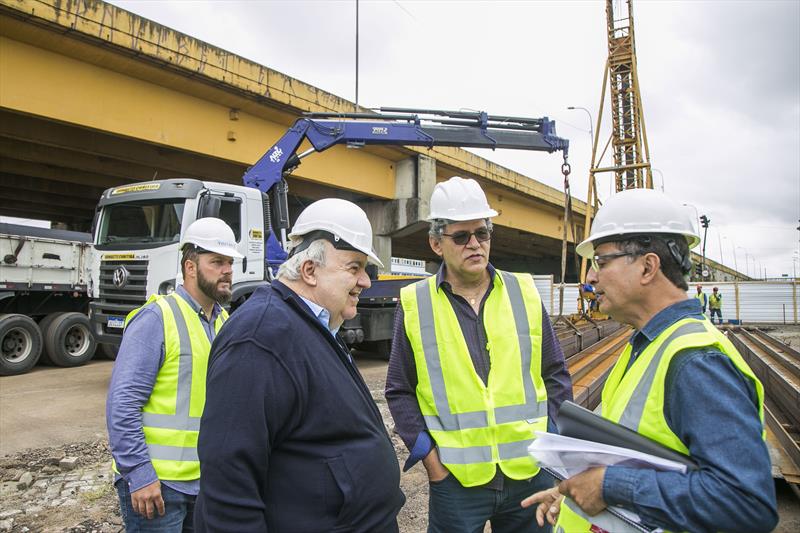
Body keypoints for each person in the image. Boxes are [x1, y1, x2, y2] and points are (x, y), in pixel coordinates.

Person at [522, 188, 778, 532]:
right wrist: (575, 490)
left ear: (647, 266)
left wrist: (609, 486)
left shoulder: (696, 362)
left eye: (601, 261)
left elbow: (745, 503)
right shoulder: (646, 344)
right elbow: (636, 456)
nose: (591, 278)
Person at [194, 198, 405, 532]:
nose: (366, 281)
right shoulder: (260, 337)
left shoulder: (312, 324)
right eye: (354, 267)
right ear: (310, 270)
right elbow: (228, 486)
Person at [385, 176, 573, 533]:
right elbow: (399, 389)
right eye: (462, 236)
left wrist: (551, 449)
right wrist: (431, 461)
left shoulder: (524, 292)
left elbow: (555, 375)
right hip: (456, 481)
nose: (475, 244)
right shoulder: (414, 303)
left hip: (529, 474)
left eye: (482, 233)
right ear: (436, 244)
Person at [107, 217, 243, 532]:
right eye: (217, 262)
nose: (227, 270)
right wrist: (140, 473)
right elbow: (123, 403)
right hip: (157, 486)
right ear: (190, 267)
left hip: (205, 480)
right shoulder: (157, 318)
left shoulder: (225, 322)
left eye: (229, 262)